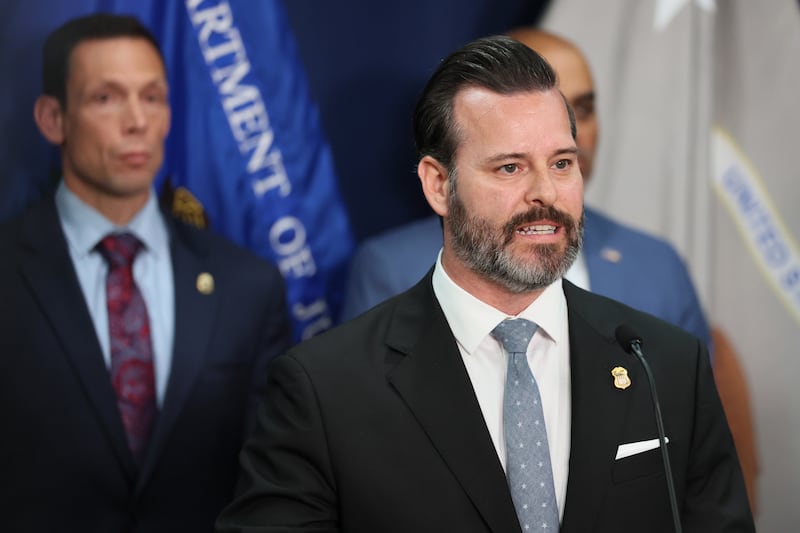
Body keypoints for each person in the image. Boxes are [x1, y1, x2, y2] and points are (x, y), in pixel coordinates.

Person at [216, 35, 753, 532]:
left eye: (561, 163)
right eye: (510, 168)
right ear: (438, 184)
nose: (546, 193)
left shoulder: (665, 364)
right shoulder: (322, 389)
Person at [0, 14, 291, 532]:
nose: (137, 121)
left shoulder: (248, 285)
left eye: (153, 97)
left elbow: (268, 481)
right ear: (52, 118)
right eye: (106, 98)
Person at [340, 29, 712, 359]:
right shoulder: (388, 269)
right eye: (510, 166)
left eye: (581, 109)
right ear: (438, 182)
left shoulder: (658, 264)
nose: (571, 131)